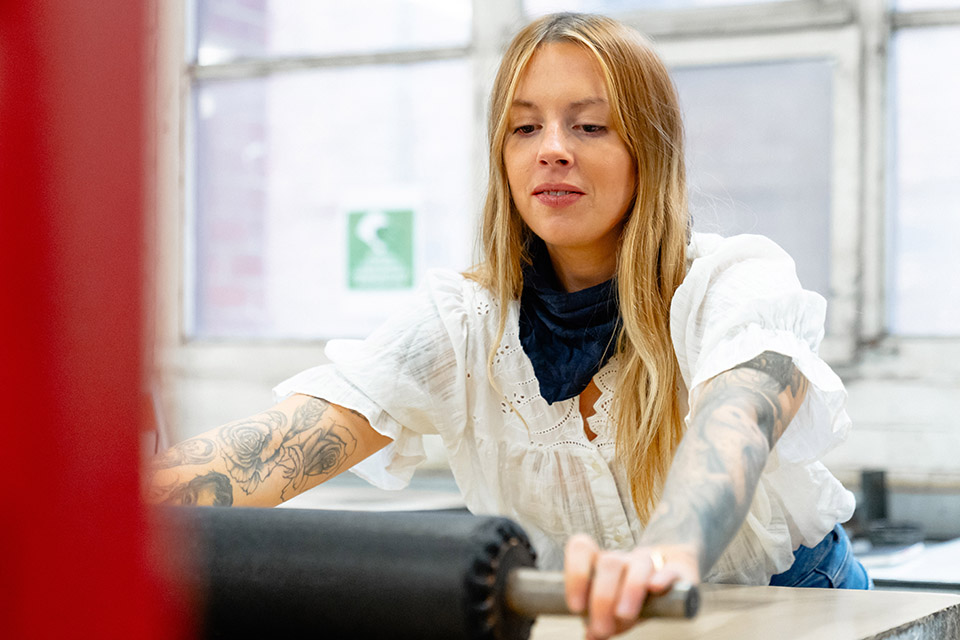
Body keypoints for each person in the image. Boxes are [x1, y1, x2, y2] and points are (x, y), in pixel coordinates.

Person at [147, 12, 870, 640]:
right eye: (525, 126)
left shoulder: (732, 283)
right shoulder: (463, 326)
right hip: (608, 621)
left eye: (588, 125)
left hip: (795, 607)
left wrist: (669, 551)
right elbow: (282, 441)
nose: (551, 147)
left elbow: (735, 421)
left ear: (646, 150)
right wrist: (93, 508)